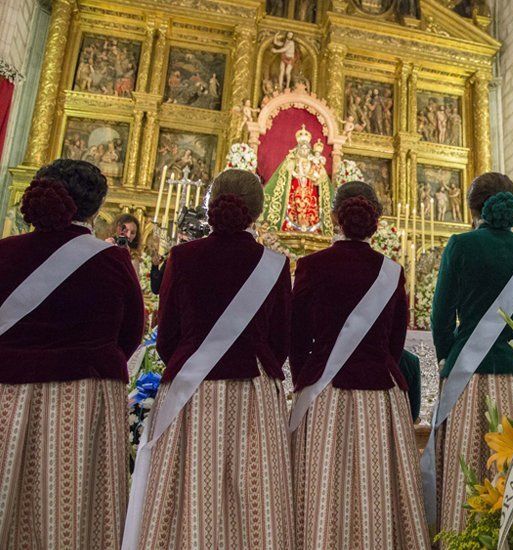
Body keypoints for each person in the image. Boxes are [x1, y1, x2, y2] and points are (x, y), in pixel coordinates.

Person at [126, 169, 293, 549]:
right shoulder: (275, 264)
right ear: (259, 211)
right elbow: (280, 341)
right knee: (253, 498)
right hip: (254, 393)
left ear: (210, 203)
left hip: (191, 393)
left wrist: (190, 362)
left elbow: (166, 336)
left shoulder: (182, 257)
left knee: (188, 490)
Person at [0, 160, 144, 548]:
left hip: (6, 395)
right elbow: (132, 331)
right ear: (97, 209)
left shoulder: (4, 252)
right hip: (82, 400)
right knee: (72, 511)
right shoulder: (113, 259)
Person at [289, 181, 428, 549]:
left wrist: (311, 370)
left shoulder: (311, 266)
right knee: (378, 481)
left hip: (325, 394)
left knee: (325, 482)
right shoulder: (392, 272)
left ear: (333, 216)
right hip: (380, 393)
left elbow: (297, 335)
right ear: (376, 221)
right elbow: (396, 342)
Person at [426, 172, 513, 534]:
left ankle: (462, 536)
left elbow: (441, 314)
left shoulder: (460, 246)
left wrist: (449, 357)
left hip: (469, 376)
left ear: (473, 208)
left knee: (469, 466)